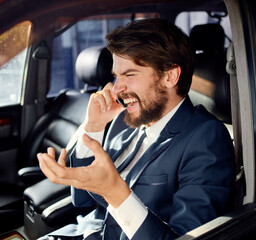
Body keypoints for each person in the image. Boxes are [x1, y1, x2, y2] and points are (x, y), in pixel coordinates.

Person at [37, 18, 235, 240]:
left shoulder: (207, 138)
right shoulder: (123, 120)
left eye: (129, 75)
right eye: (116, 76)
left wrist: (115, 192)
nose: (117, 88)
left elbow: (183, 237)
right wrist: (94, 126)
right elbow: (82, 199)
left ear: (170, 76)